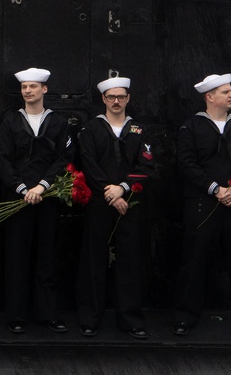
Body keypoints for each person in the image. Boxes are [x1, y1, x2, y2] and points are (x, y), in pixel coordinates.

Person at [172, 73, 231, 339]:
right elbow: (186, 164)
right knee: (194, 260)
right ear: (209, 97)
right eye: (225, 92)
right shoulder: (190, 127)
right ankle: (185, 316)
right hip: (201, 204)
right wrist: (214, 188)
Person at [75, 77, 155, 340]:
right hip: (100, 202)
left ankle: (131, 319)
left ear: (128, 98)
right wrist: (110, 193)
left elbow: (146, 167)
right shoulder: (91, 129)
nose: (116, 101)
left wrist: (123, 188)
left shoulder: (139, 131)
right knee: (93, 260)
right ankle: (90, 318)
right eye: (112, 97)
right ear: (104, 99)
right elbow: (89, 165)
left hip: (129, 203)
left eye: (121, 97)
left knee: (129, 261)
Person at [0, 67, 73, 334]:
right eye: (24, 87)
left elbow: (64, 158)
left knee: (48, 256)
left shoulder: (58, 123)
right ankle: (16, 315)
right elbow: (3, 159)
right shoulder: (10, 121)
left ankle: (48, 313)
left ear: (44, 89)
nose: (27, 91)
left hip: (47, 198)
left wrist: (42, 186)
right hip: (18, 199)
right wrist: (22, 188)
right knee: (17, 257)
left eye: (32, 87)